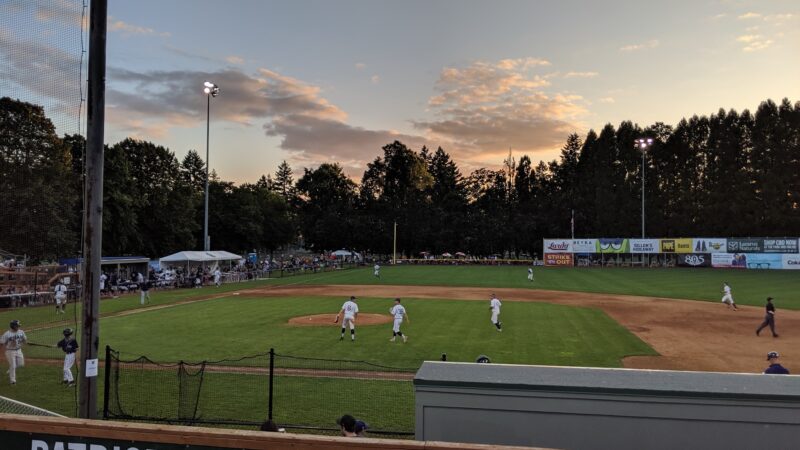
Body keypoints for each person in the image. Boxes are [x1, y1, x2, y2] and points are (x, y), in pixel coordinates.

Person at [1, 320, 27, 385]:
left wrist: (24, 341)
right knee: (13, 365)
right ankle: (13, 381)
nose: (18, 327)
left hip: (19, 350)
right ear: (13, 326)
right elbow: (1, 342)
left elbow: (24, 339)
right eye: (17, 326)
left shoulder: (21, 332)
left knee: (21, 364)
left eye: (18, 326)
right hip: (10, 351)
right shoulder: (7, 334)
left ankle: (10, 370)